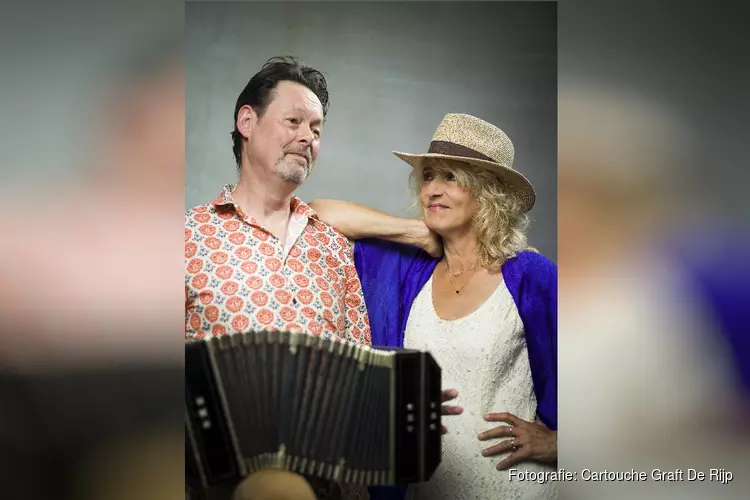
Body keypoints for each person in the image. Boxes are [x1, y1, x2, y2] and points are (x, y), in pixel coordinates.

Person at [309, 114, 558, 500]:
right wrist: (412, 231)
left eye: (451, 178)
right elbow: (317, 214)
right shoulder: (409, 271)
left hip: (515, 488)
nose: (432, 191)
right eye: (428, 177)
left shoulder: (531, 275)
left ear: (488, 193)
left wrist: (558, 443)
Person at [184, 56, 375, 500]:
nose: (307, 137)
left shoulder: (333, 246)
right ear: (247, 121)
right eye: (293, 121)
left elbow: (361, 372)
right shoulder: (187, 237)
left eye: (317, 129)